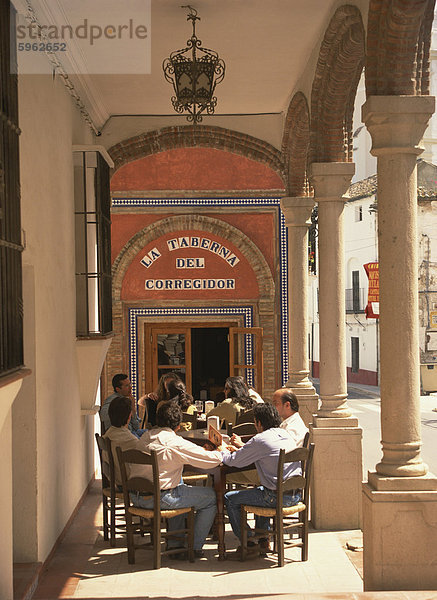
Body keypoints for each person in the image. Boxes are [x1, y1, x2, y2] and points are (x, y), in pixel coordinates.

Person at [135, 401, 223, 557]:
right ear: (178, 425)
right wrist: (220, 450)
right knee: (211, 497)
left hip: (138, 497)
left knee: (178, 484)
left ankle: (175, 544)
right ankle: (194, 546)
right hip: (160, 498)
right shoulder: (173, 443)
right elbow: (212, 461)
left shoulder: (145, 437)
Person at [222, 403, 302, 557]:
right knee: (261, 489)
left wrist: (220, 451)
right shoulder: (285, 435)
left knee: (230, 498)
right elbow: (263, 452)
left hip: (275, 497)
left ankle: (248, 541)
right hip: (295, 495)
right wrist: (243, 447)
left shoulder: (260, 439)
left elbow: (234, 461)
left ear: (258, 423)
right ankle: (263, 539)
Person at [102, 396, 144, 484]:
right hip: (127, 482)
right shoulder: (130, 441)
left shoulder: (108, 434)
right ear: (129, 416)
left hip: (114, 479)